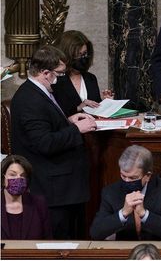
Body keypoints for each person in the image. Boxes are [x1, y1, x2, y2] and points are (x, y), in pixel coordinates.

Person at [10, 45, 97, 239]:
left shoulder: (40, 92)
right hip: (53, 191)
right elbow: (44, 143)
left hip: (64, 188)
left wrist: (68, 121)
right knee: (61, 245)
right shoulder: (30, 99)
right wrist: (76, 130)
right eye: (59, 74)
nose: (61, 78)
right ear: (45, 73)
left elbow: (47, 126)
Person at [90, 145, 161, 240]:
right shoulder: (111, 192)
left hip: (156, 250)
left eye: (133, 178)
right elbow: (95, 232)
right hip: (124, 251)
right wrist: (123, 213)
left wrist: (144, 214)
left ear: (148, 176)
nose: (127, 181)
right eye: (123, 176)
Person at [53, 30, 114, 117]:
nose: (82, 58)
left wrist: (106, 102)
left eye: (84, 54)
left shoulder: (91, 78)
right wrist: (79, 107)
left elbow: (96, 109)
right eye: (77, 54)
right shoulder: (55, 80)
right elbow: (55, 114)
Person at [1, 155, 52, 240]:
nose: (18, 178)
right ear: (3, 179)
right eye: (12, 175)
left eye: (22, 175)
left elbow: (48, 241)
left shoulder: (39, 203)